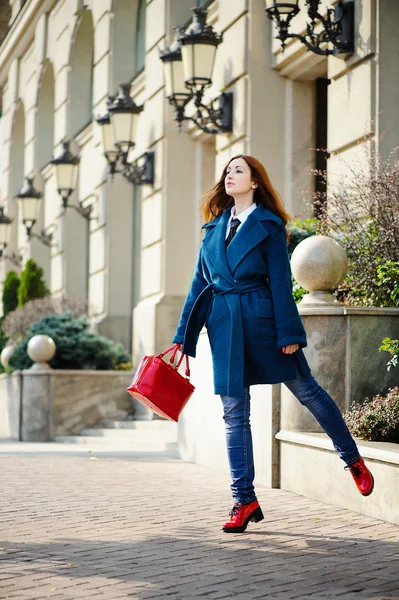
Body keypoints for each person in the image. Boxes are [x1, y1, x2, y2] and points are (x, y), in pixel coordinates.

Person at [170, 155, 374, 534]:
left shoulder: (268, 225)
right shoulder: (212, 230)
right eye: (227, 171)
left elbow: (281, 283)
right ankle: (243, 499)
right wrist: (184, 336)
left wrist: (290, 334)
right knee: (234, 413)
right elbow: (199, 286)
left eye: (238, 171)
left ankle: (352, 459)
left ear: (255, 182)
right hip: (225, 326)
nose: (229, 176)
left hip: (263, 321)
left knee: (307, 391)